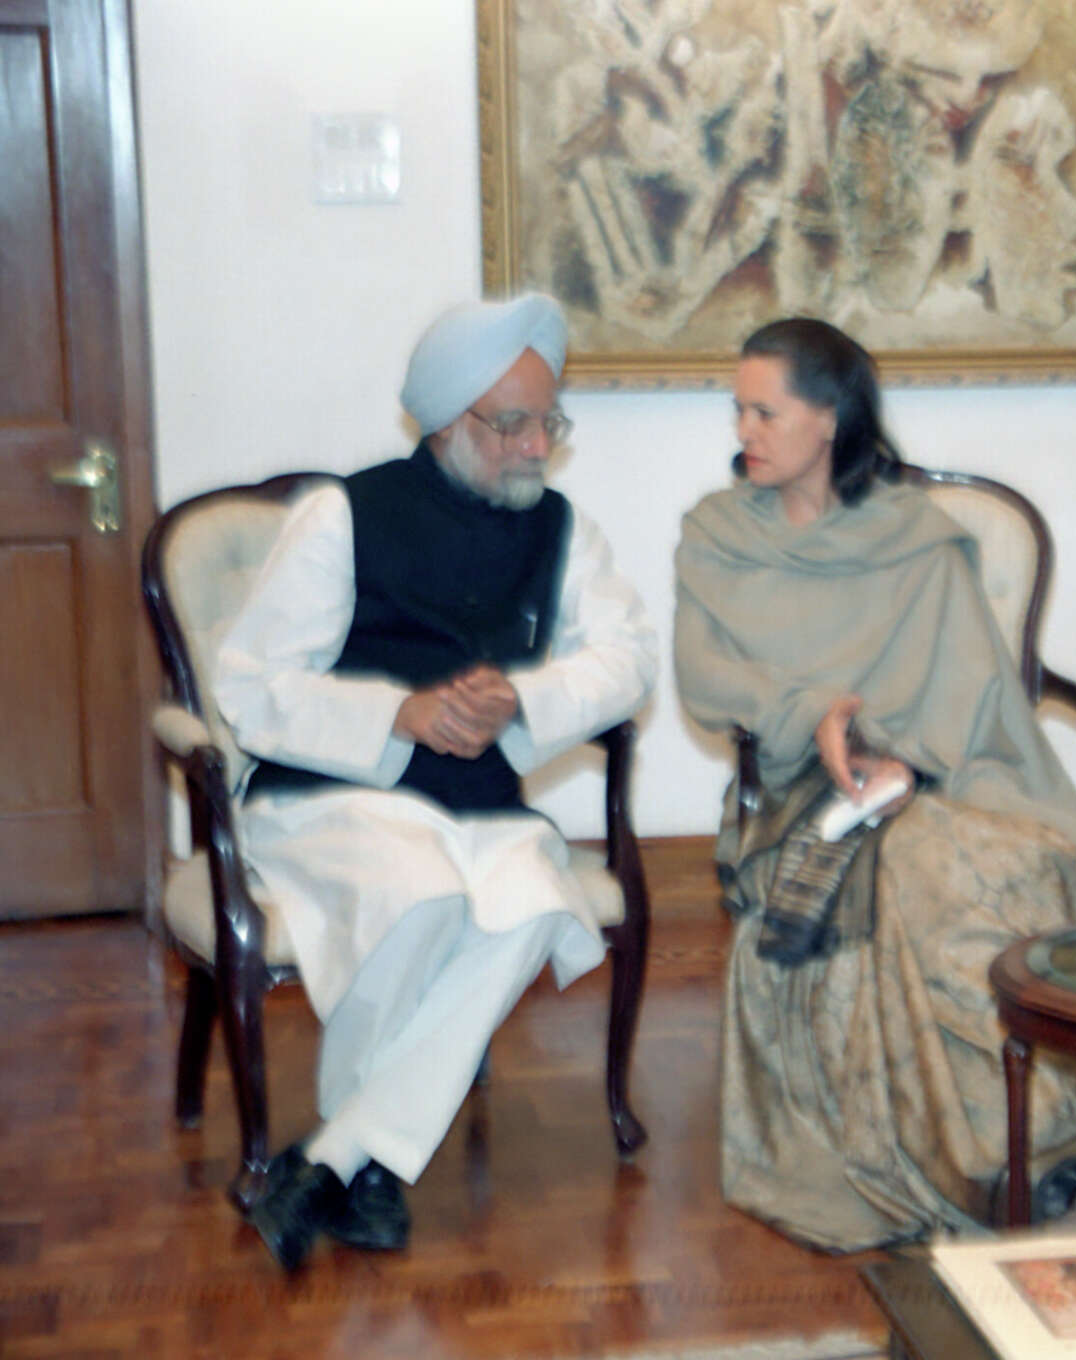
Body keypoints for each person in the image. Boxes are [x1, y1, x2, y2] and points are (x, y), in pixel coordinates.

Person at [213, 294, 659, 1270]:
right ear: (446, 423)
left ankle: (337, 1158)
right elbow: (248, 687)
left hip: (480, 805)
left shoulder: (561, 532)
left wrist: (523, 696)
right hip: (334, 794)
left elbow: (626, 658)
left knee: (535, 902)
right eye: (510, 424)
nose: (536, 444)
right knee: (421, 893)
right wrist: (397, 714)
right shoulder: (344, 513)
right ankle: (369, 1168)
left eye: (549, 420)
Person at [672, 316, 1076, 1251]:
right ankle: (961, 1159)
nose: (743, 431)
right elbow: (708, 682)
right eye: (739, 410)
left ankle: (1015, 1141)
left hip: (935, 780)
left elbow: (970, 694)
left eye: (766, 411)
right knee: (913, 871)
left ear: (828, 420)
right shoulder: (717, 537)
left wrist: (899, 760)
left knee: (955, 868)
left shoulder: (918, 541)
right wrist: (819, 717)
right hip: (796, 788)